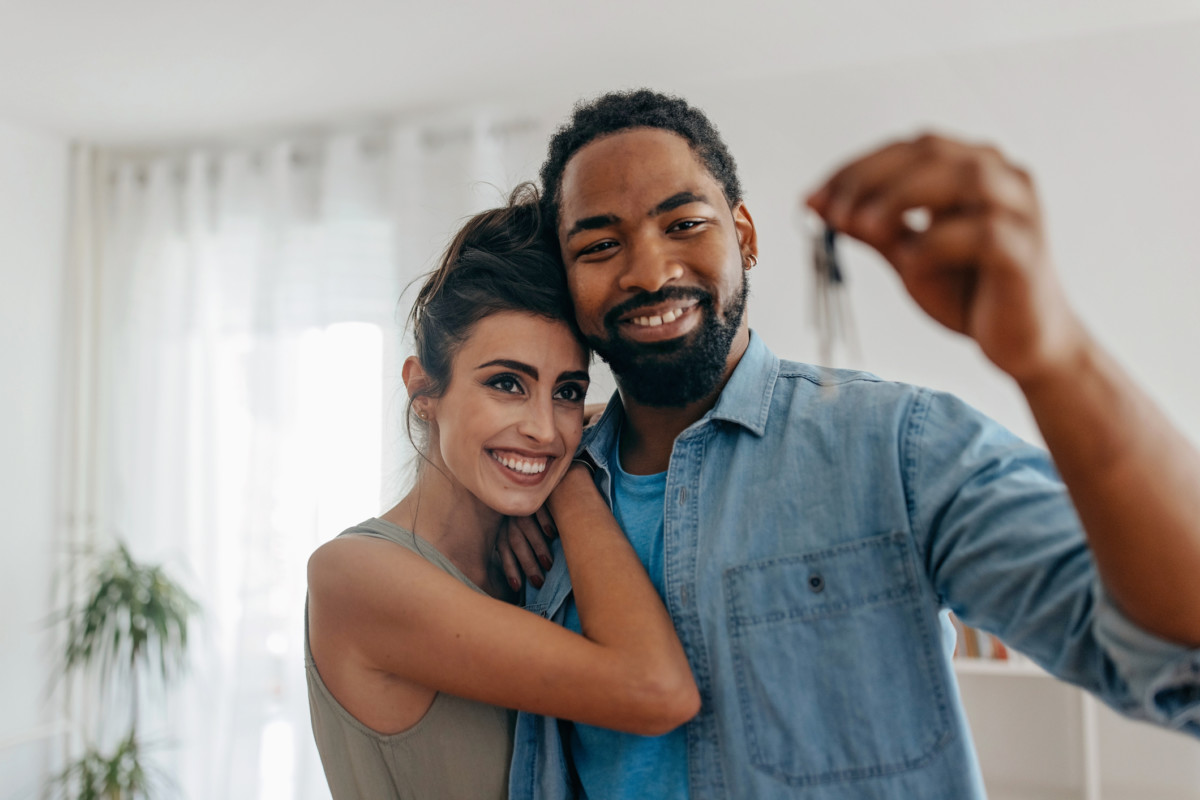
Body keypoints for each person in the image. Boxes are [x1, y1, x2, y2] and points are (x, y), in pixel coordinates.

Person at [506, 90, 1200, 799]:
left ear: (745, 236)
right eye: (599, 246)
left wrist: (1056, 358)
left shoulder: (898, 447)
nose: (651, 273)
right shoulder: (536, 494)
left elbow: (1176, 659)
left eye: (684, 224)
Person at [304, 185, 699, 799]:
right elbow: (658, 691)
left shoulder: (534, 566)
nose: (544, 428)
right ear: (423, 390)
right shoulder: (355, 574)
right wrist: (569, 479)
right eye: (507, 383)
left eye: (566, 391)